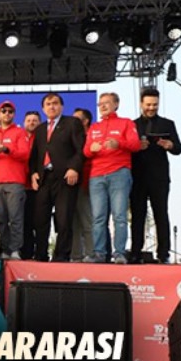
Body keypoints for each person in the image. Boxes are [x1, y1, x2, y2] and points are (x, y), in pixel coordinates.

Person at [83, 92, 142, 264]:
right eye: (100, 103)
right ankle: (99, 253)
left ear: (116, 104)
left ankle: (120, 253)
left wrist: (119, 143)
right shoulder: (94, 127)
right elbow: (85, 151)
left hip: (119, 173)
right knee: (98, 217)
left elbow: (136, 145)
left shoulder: (126, 123)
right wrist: (91, 149)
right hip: (97, 175)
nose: (102, 106)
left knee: (119, 216)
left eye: (107, 103)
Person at [29, 92, 86, 262]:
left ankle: (61, 256)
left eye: (55, 103)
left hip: (65, 177)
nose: (52, 107)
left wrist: (74, 168)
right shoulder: (40, 129)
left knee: (63, 219)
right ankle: (40, 255)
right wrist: (33, 173)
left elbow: (81, 149)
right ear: (43, 108)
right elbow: (34, 155)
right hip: (44, 179)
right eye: (48, 104)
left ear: (61, 106)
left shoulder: (72, 123)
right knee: (40, 219)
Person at [130, 88, 181, 264]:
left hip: (159, 177)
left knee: (161, 214)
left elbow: (179, 148)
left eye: (155, 105)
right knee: (138, 215)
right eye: (148, 105)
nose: (151, 108)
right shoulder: (132, 125)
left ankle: (163, 252)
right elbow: (125, 149)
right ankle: (136, 251)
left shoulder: (168, 124)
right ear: (141, 104)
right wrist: (137, 146)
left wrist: (170, 145)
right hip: (137, 177)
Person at [0, 101, 30, 260]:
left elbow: (25, 154)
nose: (7, 114)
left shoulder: (19, 132)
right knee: (0, 218)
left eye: (10, 111)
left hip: (15, 181)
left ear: (14, 114)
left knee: (15, 217)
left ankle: (15, 249)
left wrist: (7, 149)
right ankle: (4, 249)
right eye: (4, 111)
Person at [71, 108, 95, 262]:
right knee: (73, 222)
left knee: (87, 220)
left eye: (77, 119)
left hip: (86, 183)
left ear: (85, 121)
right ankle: (75, 255)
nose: (73, 122)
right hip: (69, 185)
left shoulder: (91, 137)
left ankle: (91, 254)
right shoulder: (72, 138)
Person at [20, 110, 42, 260]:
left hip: (39, 185)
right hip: (22, 184)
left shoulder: (43, 138)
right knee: (24, 221)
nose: (31, 123)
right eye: (28, 120)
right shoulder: (19, 137)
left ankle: (41, 252)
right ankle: (27, 252)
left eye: (35, 120)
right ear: (24, 123)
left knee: (39, 221)